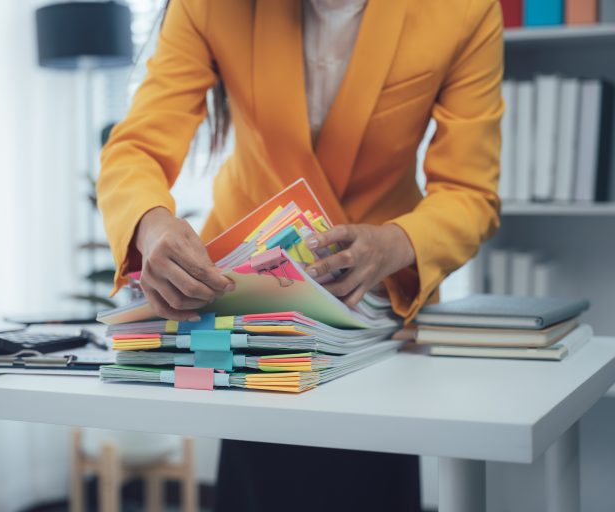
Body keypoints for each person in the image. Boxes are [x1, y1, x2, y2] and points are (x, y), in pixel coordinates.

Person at [97, 0, 503, 509]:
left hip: (373, 318)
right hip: (251, 317)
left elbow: (471, 193)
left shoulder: (464, 12)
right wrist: (150, 224)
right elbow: (136, 148)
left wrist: (395, 243)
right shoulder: (208, 7)